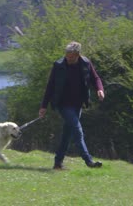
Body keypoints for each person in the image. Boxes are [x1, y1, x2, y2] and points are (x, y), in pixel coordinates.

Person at [39, 41, 105, 170]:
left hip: (78, 104)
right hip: (63, 104)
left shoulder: (86, 63)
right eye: (67, 56)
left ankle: (58, 163)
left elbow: (95, 78)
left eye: (71, 57)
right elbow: (50, 86)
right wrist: (43, 106)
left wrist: (100, 89)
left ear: (78, 55)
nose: (68, 58)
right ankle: (89, 161)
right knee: (77, 130)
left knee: (67, 134)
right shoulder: (58, 65)